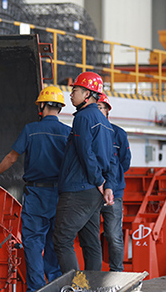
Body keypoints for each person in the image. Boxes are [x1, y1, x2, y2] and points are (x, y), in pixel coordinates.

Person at [0, 86, 71, 292]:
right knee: (56, 242)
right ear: (59, 108)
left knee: (32, 242)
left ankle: (38, 288)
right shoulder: (68, 133)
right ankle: (57, 284)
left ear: (42, 106)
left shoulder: (31, 130)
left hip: (37, 195)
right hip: (61, 196)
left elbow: (13, 157)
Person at [53, 71, 115, 274]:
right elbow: (111, 160)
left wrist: (98, 180)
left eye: (75, 90)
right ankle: (91, 287)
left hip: (78, 189)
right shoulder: (105, 123)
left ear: (87, 94)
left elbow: (85, 152)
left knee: (62, 239)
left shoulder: (83, 117)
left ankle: (77, 287)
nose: (71, 94)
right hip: (94, 193)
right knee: (91, 243)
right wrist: (107, 186)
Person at [97, 93, 131, 272]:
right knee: (91, 236)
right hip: (91, 192)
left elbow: (124, 163)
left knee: (113, 235)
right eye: (95, 107)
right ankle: (92, 273)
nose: (98, 110)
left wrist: (113, 179)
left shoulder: (119, 134)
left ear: (108, 110)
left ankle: (117, 272)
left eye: (101, 107)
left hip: (114, 194)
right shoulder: (89, 132)